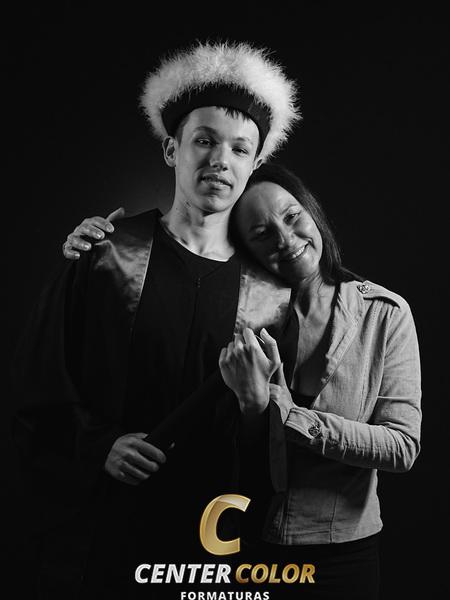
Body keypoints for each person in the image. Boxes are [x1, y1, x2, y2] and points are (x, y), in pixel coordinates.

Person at [12, 42, 300, 599]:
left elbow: (276, 442)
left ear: (253, 165)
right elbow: (39, 386)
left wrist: (255, 406)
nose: (220, 160)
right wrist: (101, 446)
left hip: (207, 541)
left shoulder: (270, 296)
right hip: (102, 534)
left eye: (240, 148)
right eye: (204, 140)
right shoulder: (107, 255)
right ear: (172, 149)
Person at [67, 163, 422, 600]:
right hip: (244, 543)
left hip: (343, 553)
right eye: (261, 233)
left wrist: (289, 417)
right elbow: (219, 437)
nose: (285, 240)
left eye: (291, 216)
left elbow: (401, 446)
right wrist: (107, 242)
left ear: (311, 211)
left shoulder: (384, 313)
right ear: (246, 246)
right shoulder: (242, 313)